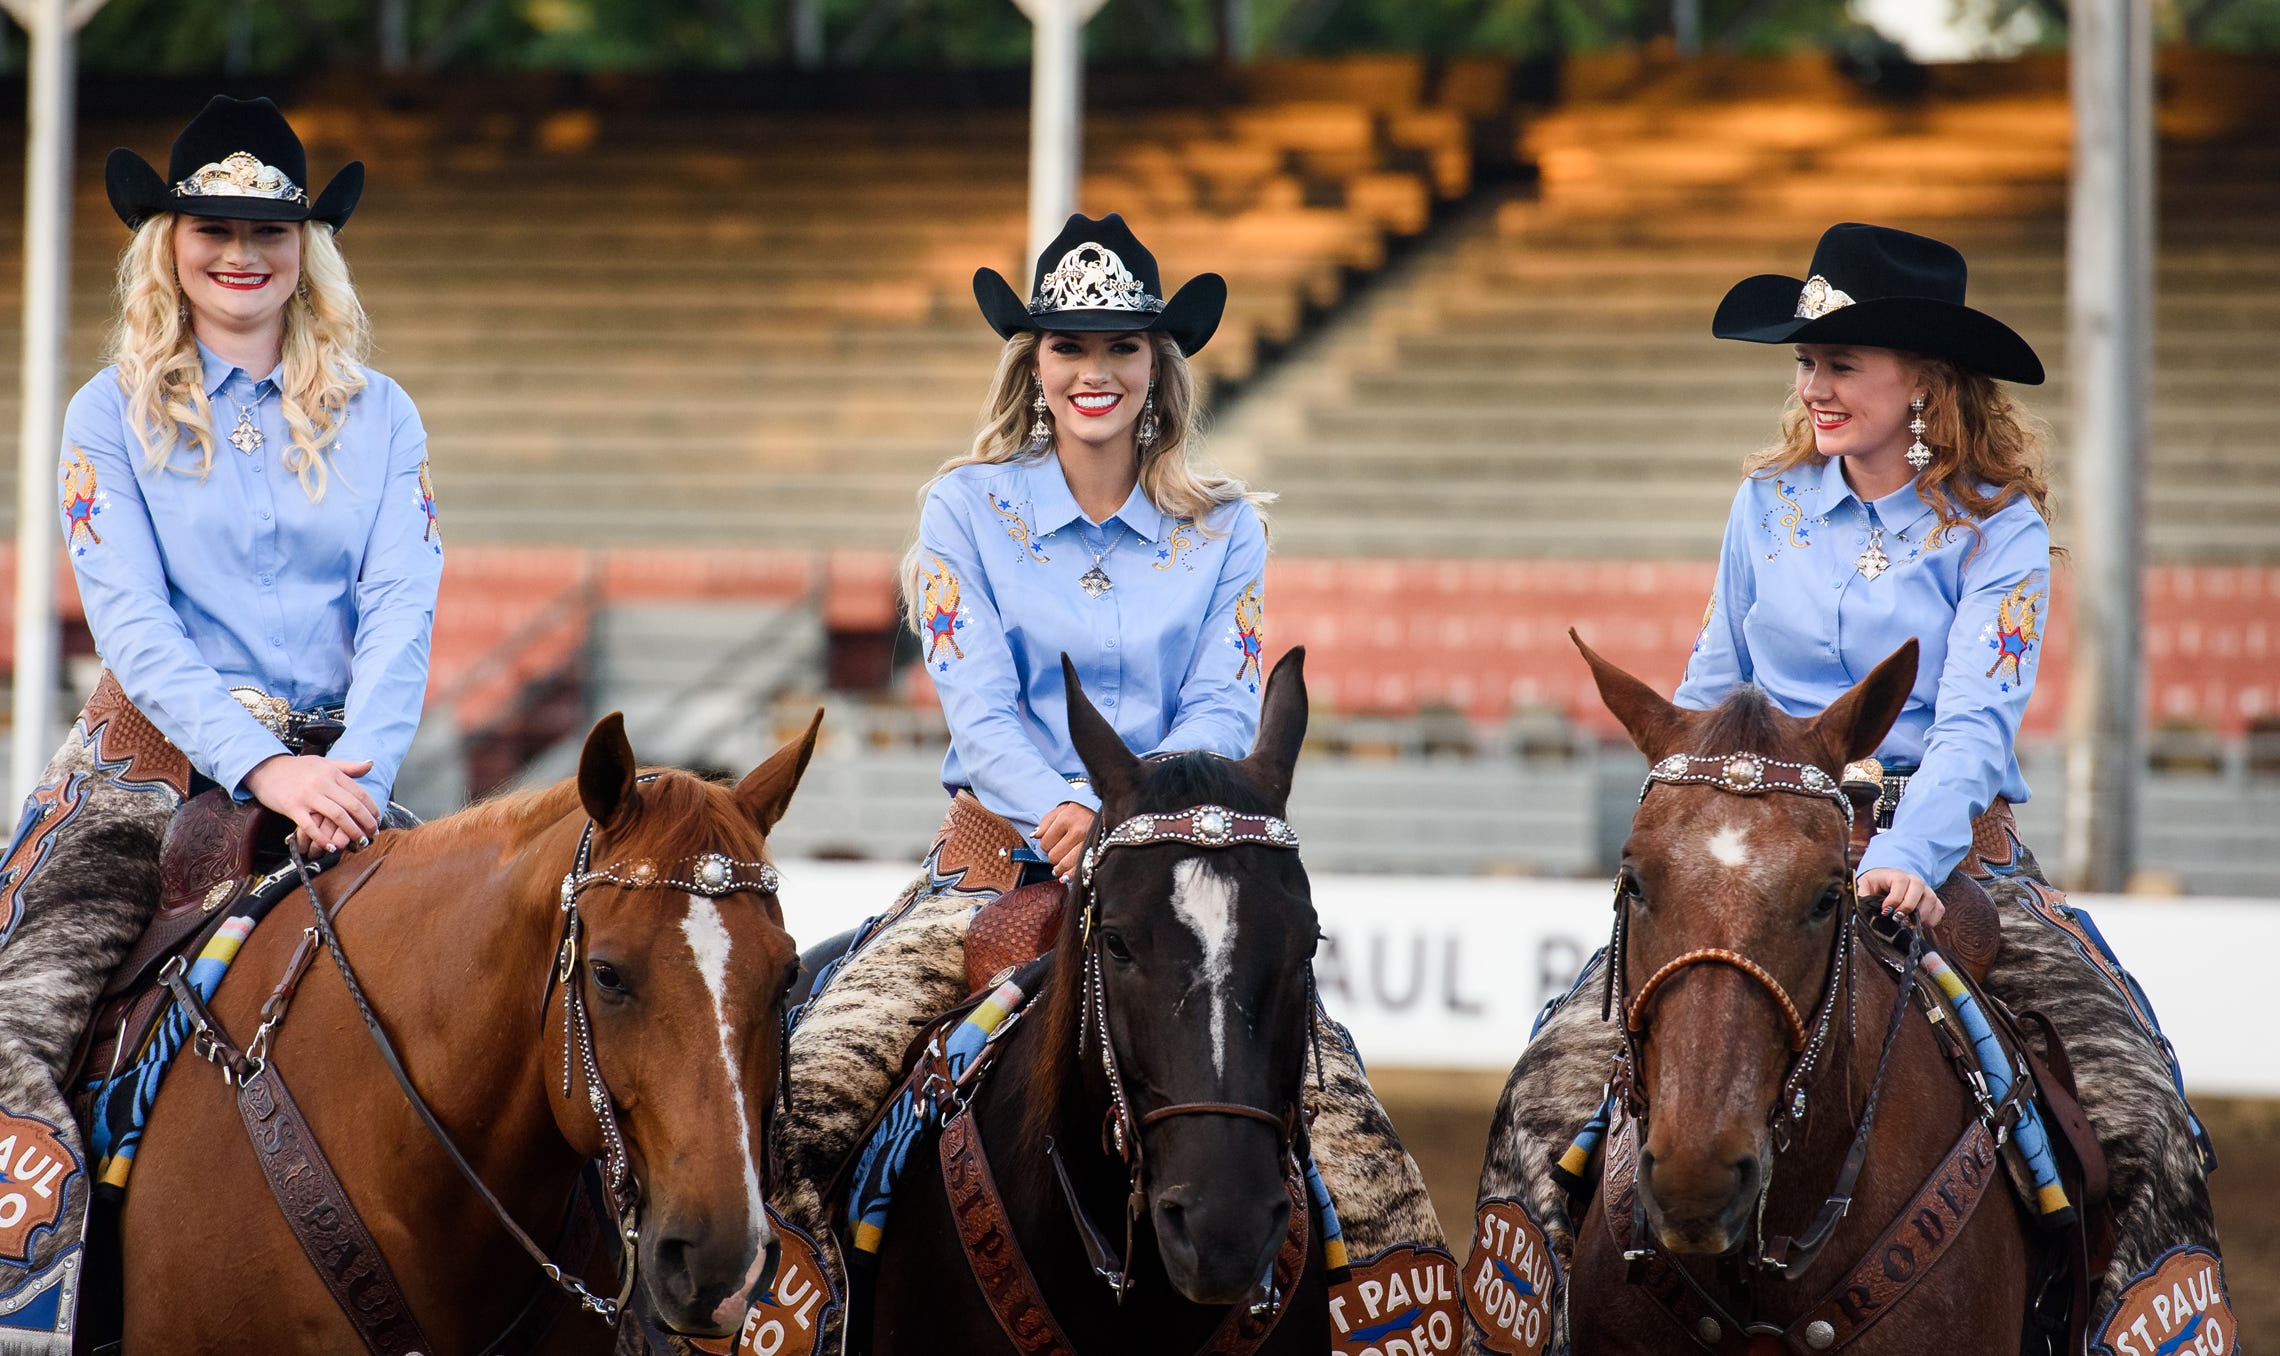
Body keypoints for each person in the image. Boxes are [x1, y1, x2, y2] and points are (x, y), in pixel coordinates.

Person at [1471, 223, 2226, 1345]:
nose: (1813, 387)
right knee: (1543, 1089)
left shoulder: (1998, 530)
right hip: (1756, 854)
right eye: (1806, 364)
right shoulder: (1763, 509)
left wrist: (1914, 861)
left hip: (1950, 859)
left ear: (1922, 377)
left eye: (1840, 364)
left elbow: (1974, 726)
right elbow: (1708, 691)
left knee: (2141, 1111)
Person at [770, 216, 1450, 1354]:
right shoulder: (963, 511)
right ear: (1032, 364)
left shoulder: (1224, 525)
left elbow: (1228, 704)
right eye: (1069, 348)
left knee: (1367, 1159)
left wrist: (1135, 816)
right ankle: (795, 1322)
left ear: (1157, 368)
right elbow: (975, 702)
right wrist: (1062, 807)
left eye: (1122, 349)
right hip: (995, 873)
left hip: (1181, 872)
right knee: (812, 1100)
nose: (1096, 373)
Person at [0, 96, 441, 1348]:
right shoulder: (105, 412)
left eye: (270, 230)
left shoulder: (383, 414)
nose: (242, 252)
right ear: (168, 241)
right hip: (145, 768)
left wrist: (354, 774)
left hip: (340, 762)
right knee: (10, 1009)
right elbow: (132, 625)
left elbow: (403, 604)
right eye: (214, 226)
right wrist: (259, 771)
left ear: (310, 251)